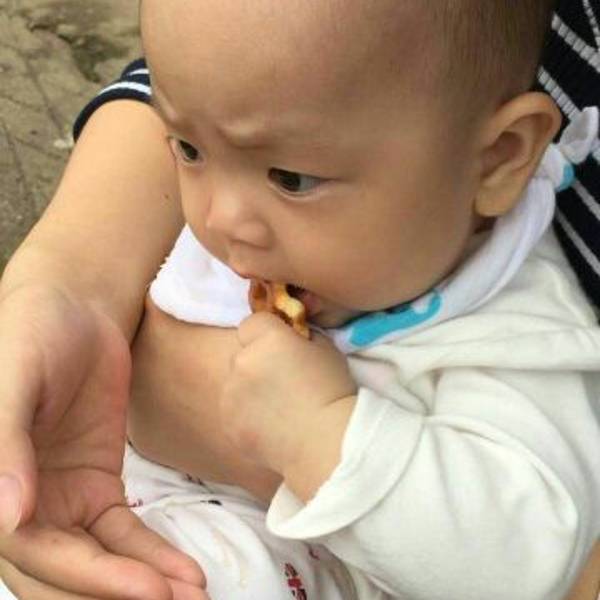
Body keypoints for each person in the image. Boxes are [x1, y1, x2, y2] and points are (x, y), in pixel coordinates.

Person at [1, 1, 599, 600]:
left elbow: (523, 562)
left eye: (291, 179)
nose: (220, 217)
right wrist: (65, 287)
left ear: (497, 158)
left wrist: (319, 436)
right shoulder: (264, 160)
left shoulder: (519, 339)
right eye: (187, 149)